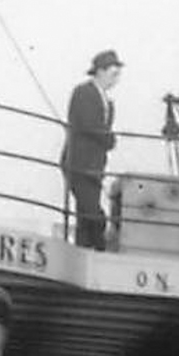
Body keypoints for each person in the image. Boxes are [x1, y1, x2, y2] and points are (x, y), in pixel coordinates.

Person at [59, 49, 123, 249]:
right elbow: (90, 124)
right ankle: (100, 250)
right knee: (93, 214)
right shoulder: (84, 92)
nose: (116, 80)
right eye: (113, 74)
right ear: (101, 72)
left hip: (95, 168)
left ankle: (84, 251)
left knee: (86, 216)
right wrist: (109, 139)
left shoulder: (108, 103)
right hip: (79, 163)